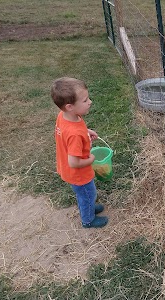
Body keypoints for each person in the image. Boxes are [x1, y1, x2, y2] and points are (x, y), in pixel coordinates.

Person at [51, 77, 108, 228]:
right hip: (79, 174)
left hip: (68, 170)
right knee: (88, 195)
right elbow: (74, 162)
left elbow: (68, 132)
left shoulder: (64, 116)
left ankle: (88, 208)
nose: (90, 102)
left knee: (85, 195)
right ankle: (88, 220)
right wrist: (91, 159)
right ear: (69, 106)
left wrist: (85, 132)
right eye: (85, 100)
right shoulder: (75, 134)